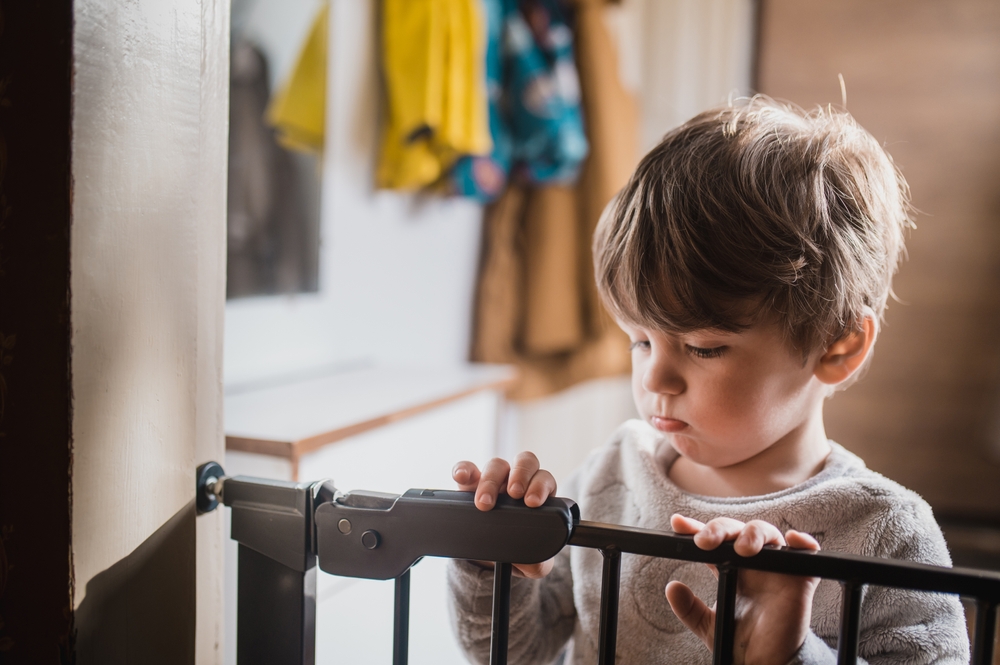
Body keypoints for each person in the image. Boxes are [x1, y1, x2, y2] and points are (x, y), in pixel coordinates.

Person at [446, 98, 970, 664]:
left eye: (703, 347)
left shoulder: (884, 530)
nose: (656, 376)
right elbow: (519, 650)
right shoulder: (613, 474)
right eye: (640, 340)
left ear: (838, 346)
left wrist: (793, 655)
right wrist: (491, 559)